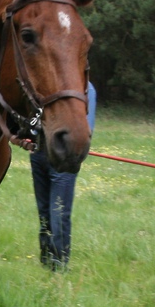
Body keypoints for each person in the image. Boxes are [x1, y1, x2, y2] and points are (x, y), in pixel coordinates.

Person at [26, 81, 97, 270]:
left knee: (58, 212)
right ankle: (46, 259)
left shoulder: (87, 90)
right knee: (44, 211)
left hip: (63, 157)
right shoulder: (48, 83)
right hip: (39, 152)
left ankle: (59, 263)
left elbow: (85, 129)